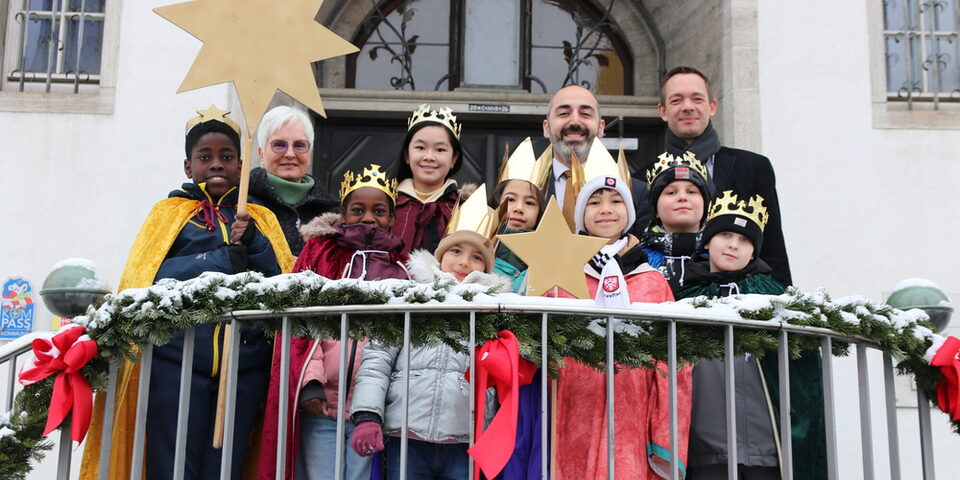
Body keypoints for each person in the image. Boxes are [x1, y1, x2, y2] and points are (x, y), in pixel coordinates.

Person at [80, 106, 295, 480]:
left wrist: (257, 244)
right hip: (177, 365)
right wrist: (218, 259)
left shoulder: (260, 219)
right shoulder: (169, 215)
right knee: (175, 465)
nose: (216, 165)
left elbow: (282, 284)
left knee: (225, 468)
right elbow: (149, 276)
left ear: (241, 167)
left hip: (242, 368)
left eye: (226, 157)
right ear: (187, 166)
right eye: (205, 157)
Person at [259, 164, 409, 480]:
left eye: (379, 210)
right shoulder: (321, 252)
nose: (369, 217)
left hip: (369, 406)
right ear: (342, 214)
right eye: (358, 209)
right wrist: (310, 384)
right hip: (322, 403)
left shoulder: (401, 270)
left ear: (392, 218)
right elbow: (302, 323)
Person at [349, 185, 509, 480]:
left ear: (487, 266)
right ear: (440, 256)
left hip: (466, 440)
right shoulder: (411, 300)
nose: (463, 262)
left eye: (476, 257)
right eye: (456, 251)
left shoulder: (494, 311)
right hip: (406, 435)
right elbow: (377, 361)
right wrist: (368, 415)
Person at [553, 144, 692, 479]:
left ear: (629, 212)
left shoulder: (652, 281)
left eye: (616, 201)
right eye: (594, 201)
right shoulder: (559, 277)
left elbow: (674, 367)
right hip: (570, 414)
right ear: (581, 214)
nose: (606, 210)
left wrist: (665, 438)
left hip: (631, 418)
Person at [675, 191, 825, 480]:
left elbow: (804, 381)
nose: (733, 245)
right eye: (725, 235)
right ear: (707, 241)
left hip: (767, 450)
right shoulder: (684, 300)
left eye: (745, 240)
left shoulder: (776, 300)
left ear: (754, 252)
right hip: (704, 450)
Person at [658, 65, 791, 286]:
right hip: (669, 298)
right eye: (676, 100)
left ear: (712, 106)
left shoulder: (753, 167)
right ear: (663, 111)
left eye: (697, 99)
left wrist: (782, 302)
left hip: (740, 299)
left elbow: (772, 245)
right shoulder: (645, 177)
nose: (688, 107)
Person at [542, 85, 651, 231]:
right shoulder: (520, 189)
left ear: (601, 127)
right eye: (563, 113)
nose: (574, 121)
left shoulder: (636, 192)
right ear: (546, 127)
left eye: (585, 114)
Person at [249, 105, 339, 256]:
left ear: (309, 153)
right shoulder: (241, 203)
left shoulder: (333, 212)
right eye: (279, 145)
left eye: (299, 145)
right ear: (261, 154)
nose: (290, 154)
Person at [392, 104, 467, 256]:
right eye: (420, 148)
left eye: (440, 150)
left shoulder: (466, 209)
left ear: (454, 158)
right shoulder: (386, 205)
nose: (429, 157)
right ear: (407, 155)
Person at [640, 151, 711, 292]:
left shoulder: (723, 258)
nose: (682, 197)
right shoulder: (638, 260)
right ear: (656, 210)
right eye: (671, 193)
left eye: (692, 192)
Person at [488, 138, 550, 293]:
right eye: (510, 200)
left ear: (540, 212)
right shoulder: (478, 251)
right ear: (497, 204)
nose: (519, 208)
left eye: (529, 203)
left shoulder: (549, 255)